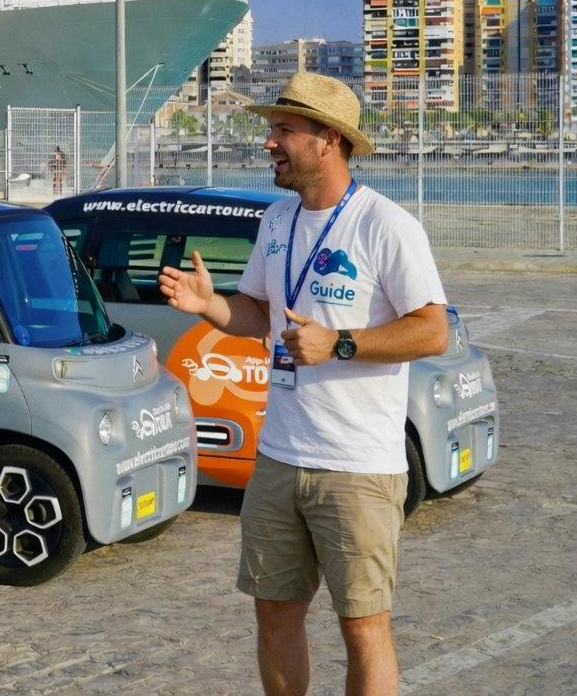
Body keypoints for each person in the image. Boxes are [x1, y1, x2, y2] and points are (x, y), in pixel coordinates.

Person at [158, 72, 449, 696]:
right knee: (273, 614)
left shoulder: (385, 225)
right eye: (271, 128)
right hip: (278, 458)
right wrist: (209, 305)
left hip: (358, 468)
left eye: (284, 129)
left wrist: (340, 343)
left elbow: (432, 332)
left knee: (363, 628)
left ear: (329, 140)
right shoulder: (277, 220)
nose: (269, 142)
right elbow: (259, 313)